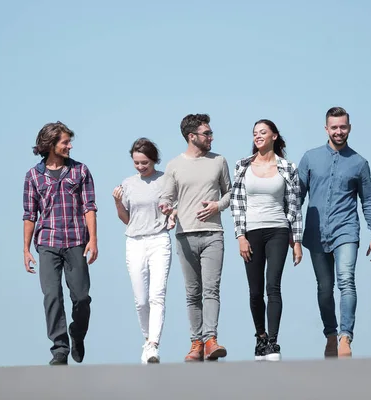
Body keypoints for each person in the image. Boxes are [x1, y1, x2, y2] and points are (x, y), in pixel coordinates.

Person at [298, 106, 371, 358]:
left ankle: (346, 337)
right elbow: (297, 197)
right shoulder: (310, 158)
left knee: (346, 280)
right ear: (326, 129)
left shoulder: (359, 163)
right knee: (324, 288)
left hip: (346, 230)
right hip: (315, 233)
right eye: (334, 127)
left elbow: (368, 200)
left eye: (342, 127)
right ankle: (331, 335)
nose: (338, 131)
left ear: (349, 128)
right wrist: (289, 233)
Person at [22, 121, 98, 366]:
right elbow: (29, 214)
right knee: (52, 296)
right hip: (47, 243)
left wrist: (93, 240)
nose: (70, 146)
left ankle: (77, 334)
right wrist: (25, 249)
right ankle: (60, 349)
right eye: (65, 142)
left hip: (76, 241)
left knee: (82, 297)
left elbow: (89, 207)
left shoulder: (80, 171)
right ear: (51, 144)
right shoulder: (33, 175)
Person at [159, 113, 232, 362]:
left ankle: (211, 340)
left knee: (211, 289)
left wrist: (217, 206)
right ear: (192, 137)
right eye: (207, 133)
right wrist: (166, 207)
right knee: (193, 292)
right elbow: (166, 197)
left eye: (211, 133)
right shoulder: (174, 165)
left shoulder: (219, 161)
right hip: (185, 235)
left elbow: (231, 194)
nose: (211, 137)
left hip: (214, 234)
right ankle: (196, 343)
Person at [230, 119, 303, 362]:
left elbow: (294, 205)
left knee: (273, 286)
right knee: (254, 291)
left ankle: (273, 341)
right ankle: (260, 338)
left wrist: (297, 241)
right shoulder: (242, 166)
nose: (258, 136)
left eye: (263, 132)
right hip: (251, 231)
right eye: (255, 133)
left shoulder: (287, 167)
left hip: (278, 230)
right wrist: (240, 236)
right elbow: (236, 205)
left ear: (274, 136)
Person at [112, 138, 176, 364]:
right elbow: (126, 219)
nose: (140, 167)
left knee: (157, 295)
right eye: (136, 163)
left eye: (145, 163)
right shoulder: (128, 183)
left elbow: (174, 208)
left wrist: (172, 215)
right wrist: (118, 202)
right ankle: (146, 338)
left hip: (159, 240)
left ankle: (153, 345)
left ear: (154, 160)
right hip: (135, 241)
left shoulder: (165, 181)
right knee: (141, 300)